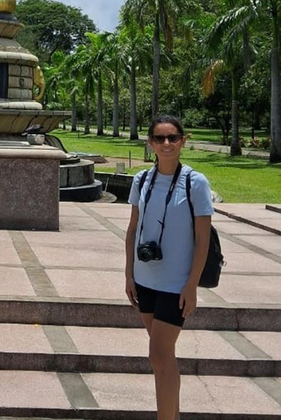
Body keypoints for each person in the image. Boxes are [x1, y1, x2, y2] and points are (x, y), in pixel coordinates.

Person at [125, 114, 213, 420]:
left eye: (172, 138)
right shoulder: (142, 180)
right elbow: (133, 229)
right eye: (159, 138)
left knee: (158, 354)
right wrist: (129, 274)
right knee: (163, 359)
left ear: (183, 141)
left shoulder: (195, 183)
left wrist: (192, 286)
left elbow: (203, 241)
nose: (166, 144)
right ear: (150, 143)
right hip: (145, 279)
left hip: (176, 285)